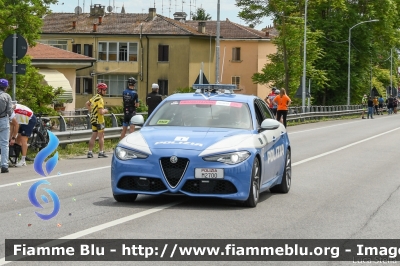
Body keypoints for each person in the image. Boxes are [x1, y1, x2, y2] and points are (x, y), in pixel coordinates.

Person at [86, 83, 109, 158]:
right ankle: (101, 152)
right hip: (99, 120)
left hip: (93, 119)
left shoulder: (94, 97)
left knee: (93, 136)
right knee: (101, 136)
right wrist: (106, 110)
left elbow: (87, 104)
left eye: (106, 90)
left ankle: (90, 152)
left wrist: (91, 111)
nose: (105, 91)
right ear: (100, 90)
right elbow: (100, 112)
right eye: (104, 90)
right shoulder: (100, 99)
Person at [0, 79, 13, 173]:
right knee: (4, 144)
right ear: (5, 87)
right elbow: (9, 111)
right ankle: (4, 165)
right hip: (3, 120)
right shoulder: (6, 96)